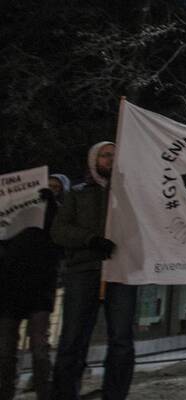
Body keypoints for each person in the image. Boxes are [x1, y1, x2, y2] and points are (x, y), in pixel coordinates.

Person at [49, 142, 138, 400]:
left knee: (121, 340)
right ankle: (65, 394)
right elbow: (59, 230)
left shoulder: (130, 193)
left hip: (122, 272)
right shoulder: (78, 194)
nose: (110, 159)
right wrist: (90, 239)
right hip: (84, 271)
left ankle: (115, 394)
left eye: (114, 155)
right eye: (105, 155)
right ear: (94, 160)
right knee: (73, 338)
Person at [0, 173, 68, 400]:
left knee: (39, 347)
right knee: (6, 349)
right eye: (47, 186)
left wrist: (51, 207)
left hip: (40, 287)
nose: (50, 190)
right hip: (10, 287)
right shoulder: (15, 217)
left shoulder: (58, 215)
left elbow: (60, 241)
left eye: (56, 188)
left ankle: (44, 393)